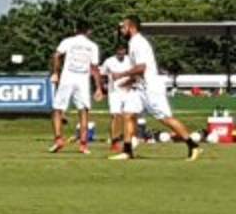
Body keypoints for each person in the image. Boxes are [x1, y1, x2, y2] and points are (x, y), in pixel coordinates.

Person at [109, 15, 201, 161]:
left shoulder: (138, 43)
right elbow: (139, 70)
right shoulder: (133, 43)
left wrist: (121, 75)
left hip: (151, 88)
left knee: (165, 119)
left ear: (131, 27)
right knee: (127, 114)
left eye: (123, 27)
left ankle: (193, 145)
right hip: (140, 88)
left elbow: (142, 67)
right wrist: (128, 82)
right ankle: (127, 151)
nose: (121, 30)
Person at [48, 21, 104, 154]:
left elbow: (56, 55)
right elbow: (94, 68)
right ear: (88, 31)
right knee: (83, 111)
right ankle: (83, 145)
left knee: (57, 109)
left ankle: (58, 139)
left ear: (75, 30)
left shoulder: (68, 41)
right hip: (82, 80)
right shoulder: (93, 46)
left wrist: (56, 72)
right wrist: (98, 87)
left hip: (68, 77)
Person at [99, 43, 133, 152]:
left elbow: (136, 73)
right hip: (114, 93)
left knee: (129, 116)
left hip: (129, 91)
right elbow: (102, 75)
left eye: (122, 50)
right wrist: (102, 88)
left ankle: (129, 140)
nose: (121, 52)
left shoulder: (130, 60)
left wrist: (130, 83)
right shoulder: (109, 61)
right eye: (119, 50)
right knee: (116, 115)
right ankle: (114, 141)